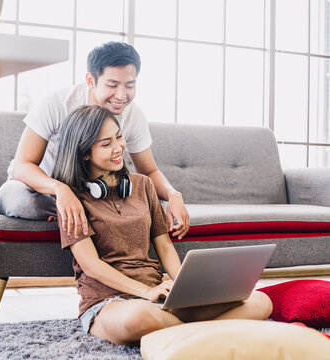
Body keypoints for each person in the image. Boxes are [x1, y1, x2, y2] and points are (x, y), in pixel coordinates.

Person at [51, 105, 273, 346]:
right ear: (85, 153)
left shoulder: (144, 186)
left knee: (261, 302)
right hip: (109, 303)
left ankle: (188, 334)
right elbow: (91, 266)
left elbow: (165, 246)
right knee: (136, 319)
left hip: (158, 295)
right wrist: (143, 292)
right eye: (106, 144)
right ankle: (213, 333)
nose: (118, 148)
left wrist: (185, 289)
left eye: (119, 137)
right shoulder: (73, 200)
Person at [0, 41, 190, 239]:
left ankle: (83, 213)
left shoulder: (134, 115)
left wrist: (173, 194)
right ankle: (83, 213)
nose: (122, 96)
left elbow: (148, 171)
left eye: (130, 85)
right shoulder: (57, 102)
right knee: (19, 201)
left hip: (93, 194)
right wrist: (59, 189)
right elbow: (22, 166)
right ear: (90, 80)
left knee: (148, 203)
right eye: (112, 85)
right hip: (39, 190)